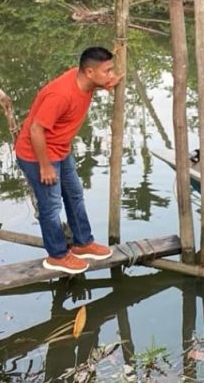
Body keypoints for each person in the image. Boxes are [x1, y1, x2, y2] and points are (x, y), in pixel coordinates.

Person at [15, 47, 124, 275]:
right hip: (37, 155)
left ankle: (83, 242)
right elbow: (36, 130)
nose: (111, 74)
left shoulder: (85, 79)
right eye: (108, 71)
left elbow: (96, 79)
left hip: (60, 149)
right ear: (90, 72)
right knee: (51, 206)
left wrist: (106, 83)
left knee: (74, 194)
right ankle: (57, 255)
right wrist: (45, 166)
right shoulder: (61, 95)